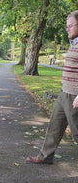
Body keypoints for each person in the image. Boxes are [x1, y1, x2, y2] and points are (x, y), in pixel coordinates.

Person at [26, 10, 78, 164]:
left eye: (70, 26)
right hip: (64, 94)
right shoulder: (74, 44)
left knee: (77, 133)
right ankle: (45, 157)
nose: (67, 29)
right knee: (55, 126)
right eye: (66, 26)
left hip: (74, 96)